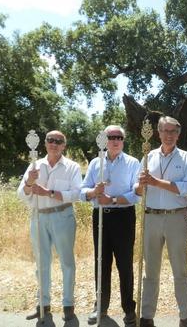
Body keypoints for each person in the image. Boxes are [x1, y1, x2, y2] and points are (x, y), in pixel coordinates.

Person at [136, 116, 187, 327]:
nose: (169, 135)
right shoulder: (147, 156)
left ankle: (184, 317)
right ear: (158, 133)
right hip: (151, 216)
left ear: (178, 134)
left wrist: (155, 182)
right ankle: (146, 316)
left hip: (176, 218)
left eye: (173, 131)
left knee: (180, 269)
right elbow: (137, 191)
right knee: (150, 270)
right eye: (165, 131)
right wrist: (141, 184)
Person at [17, 130, 82, 322]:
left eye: (58, 141)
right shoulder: (35, 165)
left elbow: (77, 194)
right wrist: (29, 181)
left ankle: (68, 305)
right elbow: (22, 194)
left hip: (62, 216)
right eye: (50, 140)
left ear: (64, 145)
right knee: (41, 263)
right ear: (45, 143)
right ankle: (43, 305)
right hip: (38, 217)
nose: (54, 143)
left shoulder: (72, 167)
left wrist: (49, 192)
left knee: (67, 263)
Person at [81, 125, 141, 327]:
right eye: (111, 137)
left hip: (123, 217)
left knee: (125, 265)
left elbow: (137, 195)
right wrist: (93, 193)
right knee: (101, 263)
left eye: (119, 137)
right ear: (104, 140)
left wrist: (113, 200)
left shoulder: (133, 163)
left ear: (123, 140)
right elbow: (83, 191)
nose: (115, 140)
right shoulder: (95, 163)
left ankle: (129, 310)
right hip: (100, 217)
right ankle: (101, 306)